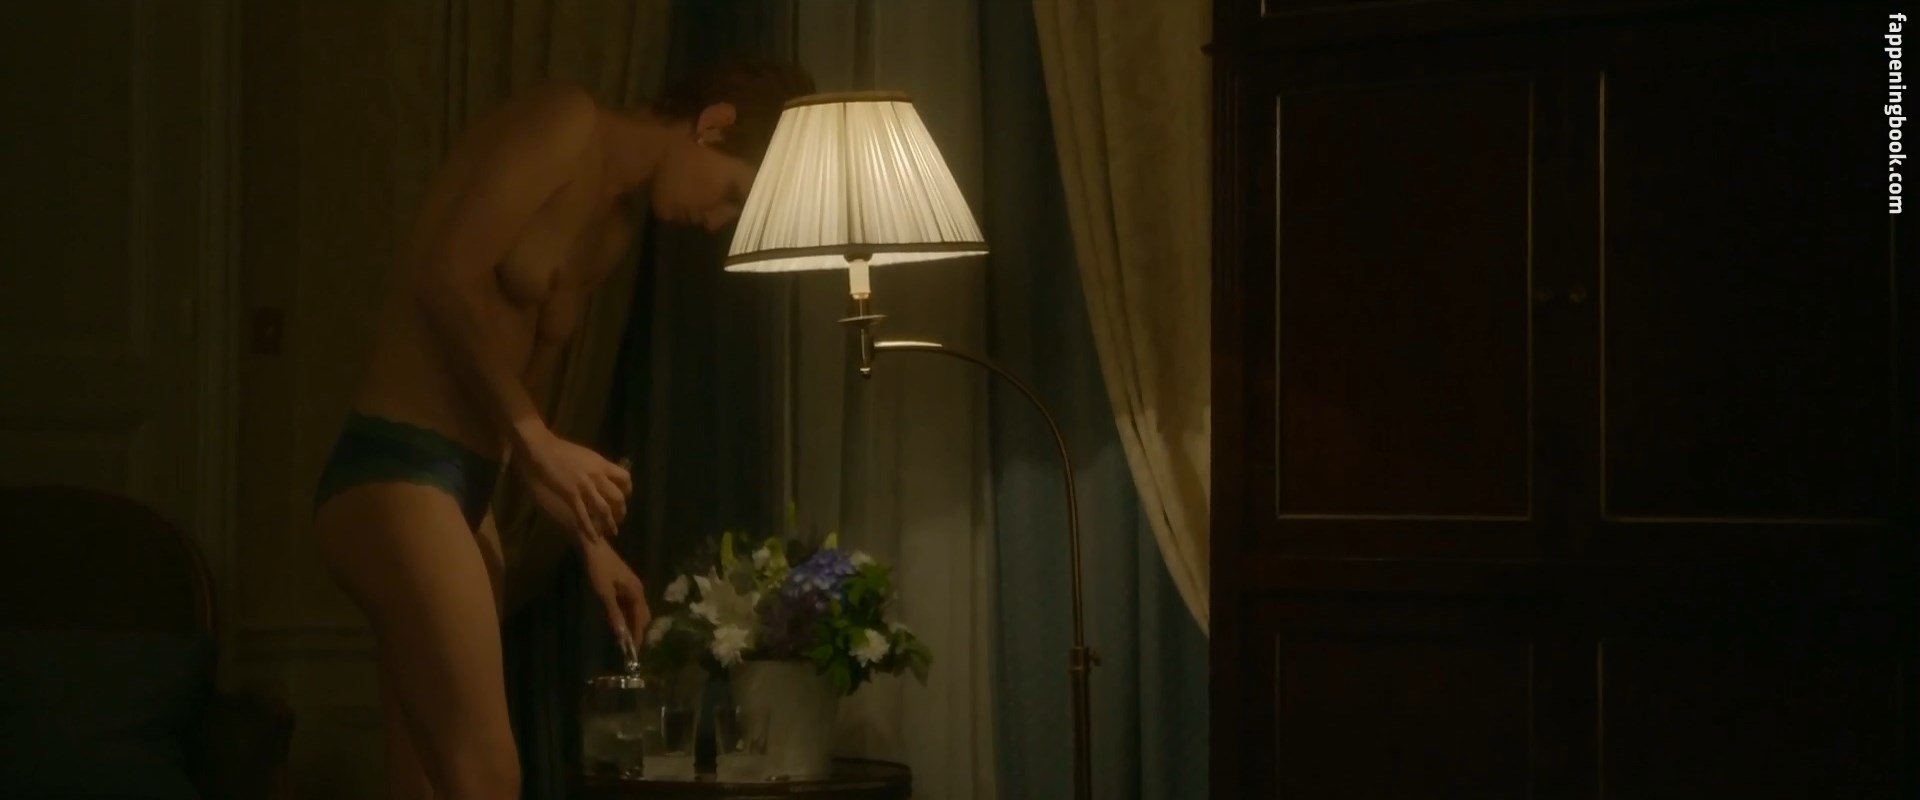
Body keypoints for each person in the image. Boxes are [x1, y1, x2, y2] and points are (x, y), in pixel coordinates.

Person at [311, 57, 815, 800]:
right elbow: (443, 279)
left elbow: (521, 413)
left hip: (468, 491)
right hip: (396, 468)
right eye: (733, 194)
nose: (717, 222)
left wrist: (590, 543)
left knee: (420, 784)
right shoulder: (565, 121)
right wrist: (541, 444)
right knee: (488, 776)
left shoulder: (612, 233)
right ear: (714, 126)